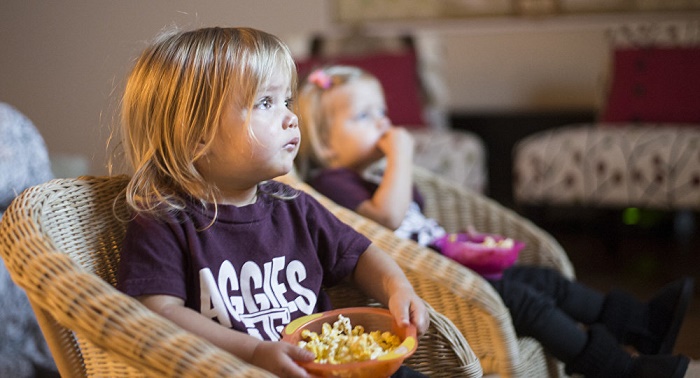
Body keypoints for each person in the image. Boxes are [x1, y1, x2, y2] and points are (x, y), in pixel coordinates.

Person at [295, 65, 694, 378]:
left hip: (455, 267)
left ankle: (641, 325)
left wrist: (459, 241)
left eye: (383, 111)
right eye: (365, 116)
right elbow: (387, 219)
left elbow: (418, 226)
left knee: (546, 280)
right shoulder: (331, 182)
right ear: (327, 144)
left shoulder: (371, 175)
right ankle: (617, 370)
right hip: (435, 287)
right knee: (528, 303)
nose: (384, 124)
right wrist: (401, 157)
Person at [115, 28, 430, 378]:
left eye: (287, 102)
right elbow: (158, 313)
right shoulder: (165, 220)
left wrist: (397, 289)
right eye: (266, 103)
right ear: (196, 134)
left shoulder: (294, 206)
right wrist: (253, 352)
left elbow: (359, 256)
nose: (291, 117)